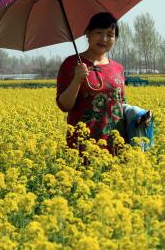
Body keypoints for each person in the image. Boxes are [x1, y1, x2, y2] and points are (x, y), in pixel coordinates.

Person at [56, 12, 153, 153]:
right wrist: (77, 80)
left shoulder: (118, 68)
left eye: (110, 35)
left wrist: (138, 116)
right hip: (83, 144)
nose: (104, 38)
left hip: (117, 144)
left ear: (115, 39)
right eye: (99, 32)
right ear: (88, 34)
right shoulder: (71, 64)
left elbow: (120, 105)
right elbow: (64, 105)